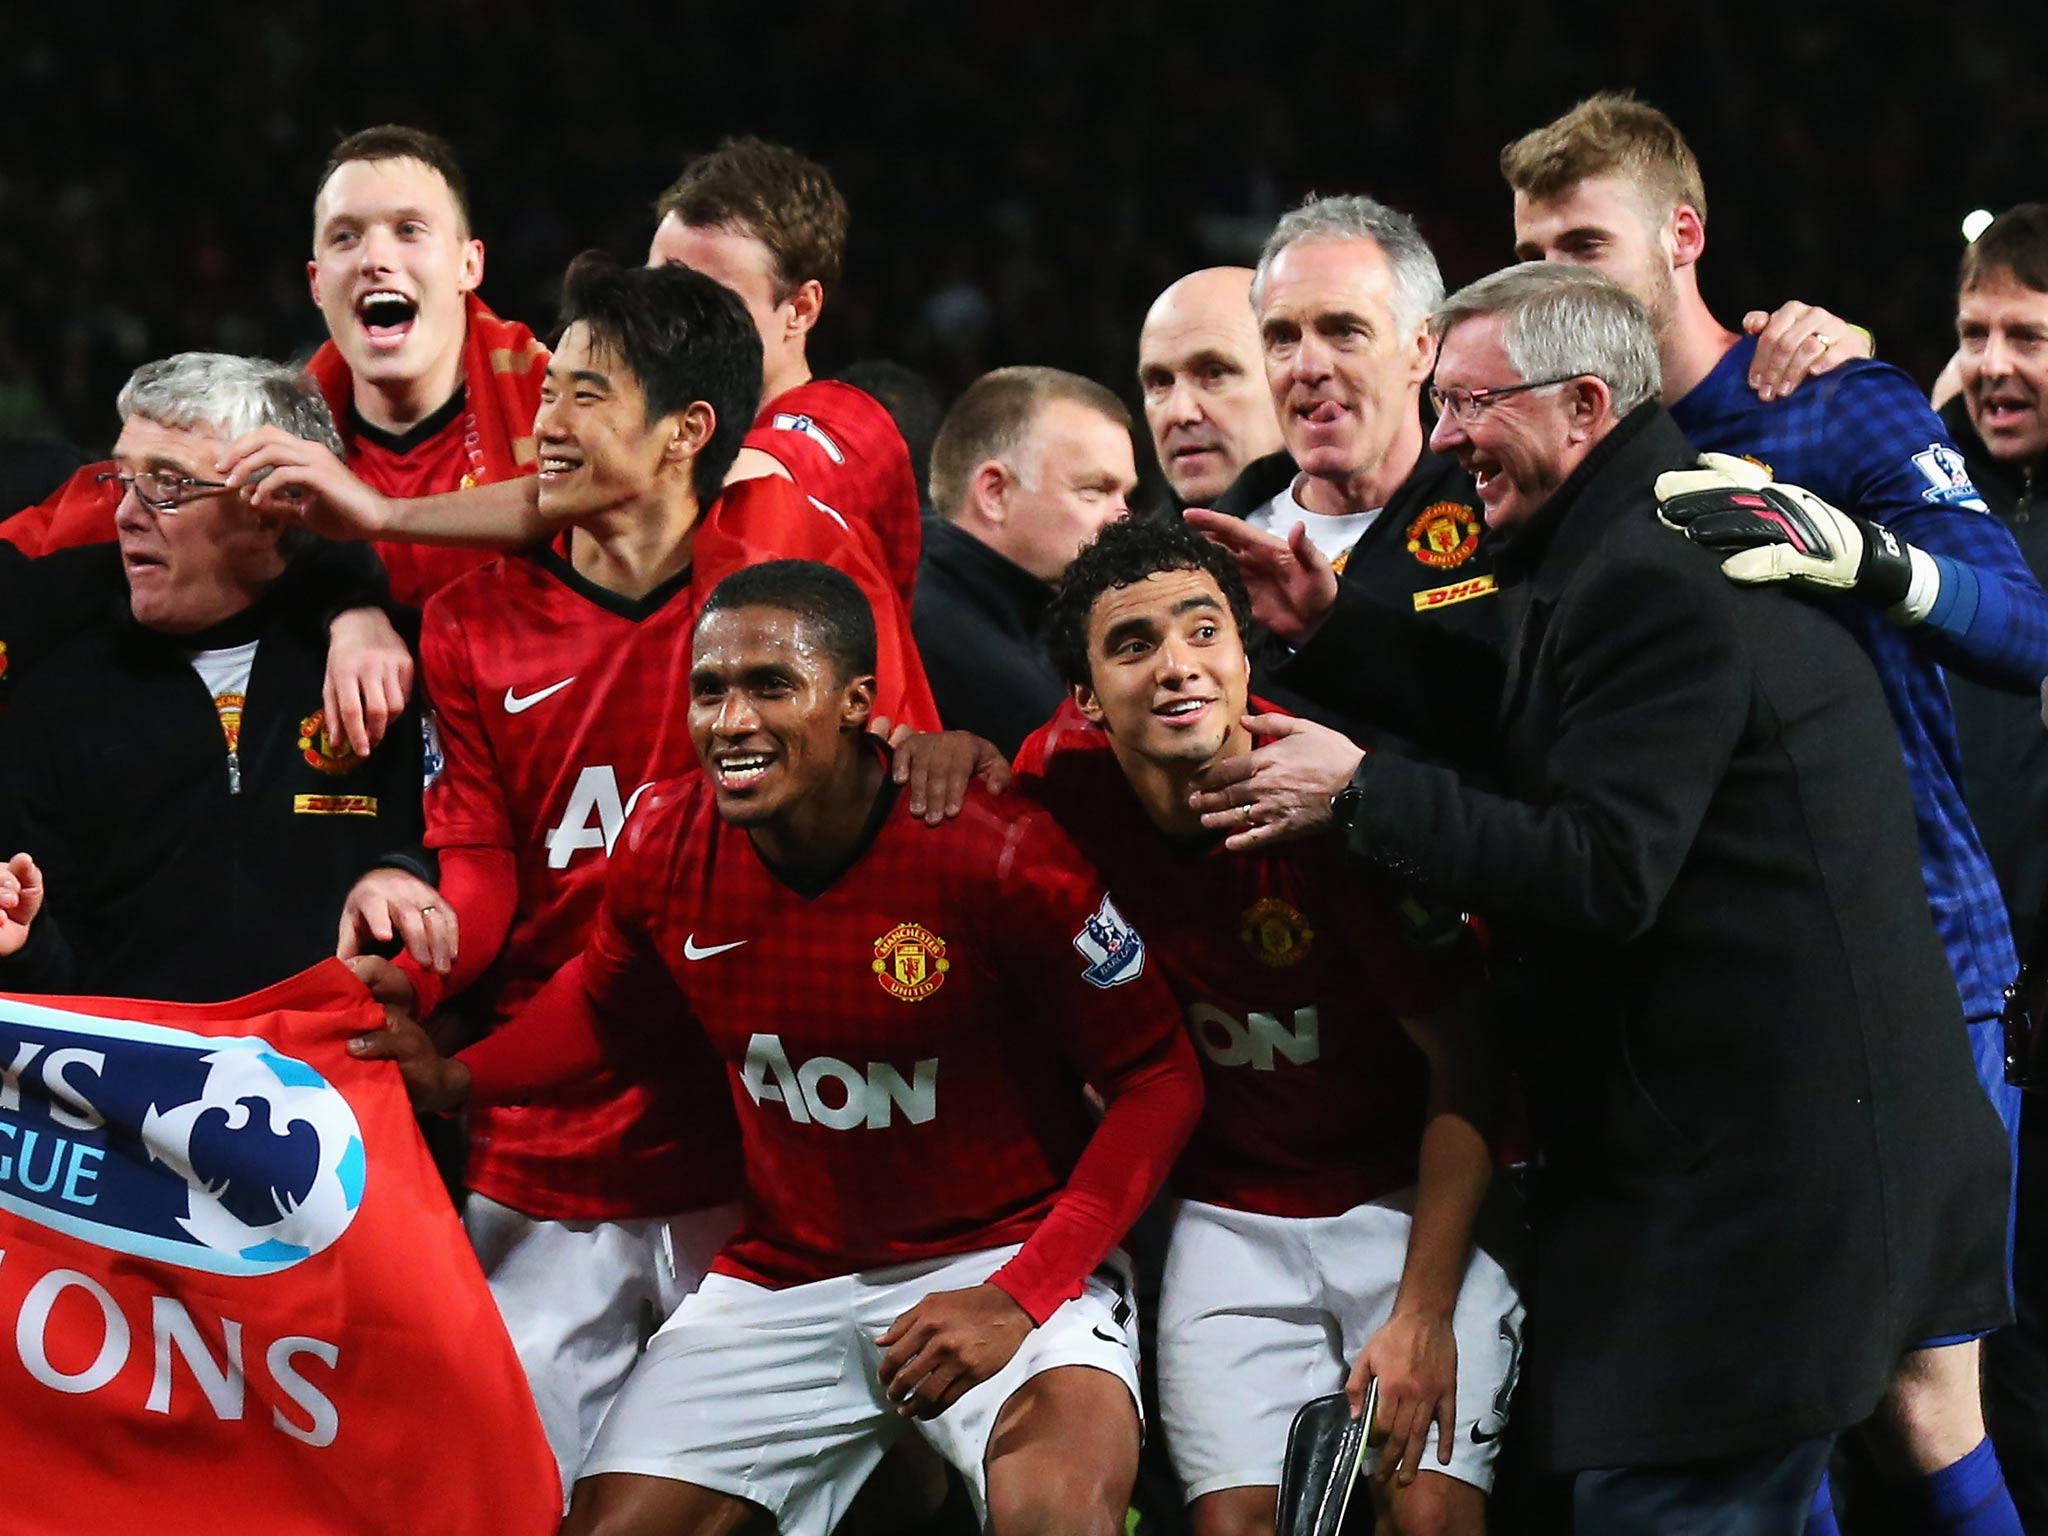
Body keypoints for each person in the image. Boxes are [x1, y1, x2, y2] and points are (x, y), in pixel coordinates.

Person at [1191, 263, 2012, 1535]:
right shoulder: (1623, 537)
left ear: (1582, 403)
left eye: (1471, 405)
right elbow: (1526, 713)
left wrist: (1361, 793)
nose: (1447, 437)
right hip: (1780, 1155)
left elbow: (1601, 869)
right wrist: (1335, 630)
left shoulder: (1650, 575)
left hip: (1760, 1192)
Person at [354, 558, 1203, 1536]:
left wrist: (1018, 1294)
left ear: (854, 701)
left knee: (1055, 1515)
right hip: (788, 1274)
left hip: (1006, 1255)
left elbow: (1159, 1077)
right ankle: (897, 1483)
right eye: (708, 690)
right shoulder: (665, 840)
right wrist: (460, 1074)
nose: (731, 719)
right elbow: (606, 1009)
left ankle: (906, 1481)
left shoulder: (994, 851)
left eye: (770, 686)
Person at [1505, 95, 2047, 1534]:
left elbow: (2023, 623)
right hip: (1714, 990)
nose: (1558, 277)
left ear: (1684, 237)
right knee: (1770, 1396)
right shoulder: (1577, 448)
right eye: (1533, 250)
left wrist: (1857, 555)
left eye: (1584, 242)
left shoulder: (1829, 399)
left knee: (1918, 1403)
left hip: (1916, 949)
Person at [344, 252, 949, 1493]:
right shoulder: (471, 618)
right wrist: (417, 952)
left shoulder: (790, 597)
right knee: (528, 1497)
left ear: (685, 432)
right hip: (548, 1149)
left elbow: (901, 802)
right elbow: (483, 867)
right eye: (547, 390)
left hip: (762, 1150)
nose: (545, 424)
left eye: (583, 396)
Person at [1019, 516, 1518, 1536]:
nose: (1176, 668)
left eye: (1204, 632)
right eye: (1132, 645)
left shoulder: (1339, 811)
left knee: (1424, 1518)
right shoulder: (1053, 786)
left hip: (1407, 1201)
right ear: (1084, 701)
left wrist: (1419, 1316)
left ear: (1246, 658)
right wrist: (934, 753)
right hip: (1229, 1215)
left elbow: (1469, 1070)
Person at [0, 353, 424, 1002]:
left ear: (270, 511)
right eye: (123, 479)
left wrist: (408, 871)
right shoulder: (55, 695)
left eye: (168, 483)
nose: (125, 515)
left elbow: (471, 846)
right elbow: (69, 981)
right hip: (138, 1093)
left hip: (343, 1080)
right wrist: (25, 944)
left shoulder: (388, 665)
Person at [3, 126, 548, 617]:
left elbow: (594, 490)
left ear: (469, 264)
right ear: (315, 283)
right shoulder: (259, 438)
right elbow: (97, 518)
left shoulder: (557, 397)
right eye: (345, 237)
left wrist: (376, 528)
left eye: (409, 230)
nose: (373, 259)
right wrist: (347, 611)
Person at [1940, 203, 2048, 1533]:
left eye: (2030, 335)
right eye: (1976, 335)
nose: (1998, 365)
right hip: (1964, 1001)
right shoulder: (1937, 500)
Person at [649, 137, 923, 603]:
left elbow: (734, 493)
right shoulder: (662, 424)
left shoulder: (853, 428)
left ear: (800, 309)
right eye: (659, 286)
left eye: (713, 300)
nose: (674, 319)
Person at [914, 366, 1135, 757]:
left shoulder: (1036, 618)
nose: (1122, 518)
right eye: (1094, 491)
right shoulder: (931, 636)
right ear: (995, 493)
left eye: (1124, 494)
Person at [1138, 268, 1284, 511]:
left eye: (1214, 373)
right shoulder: (1127, 548)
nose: (1180, 413)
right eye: (1161, 382)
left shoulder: (1364, 539)